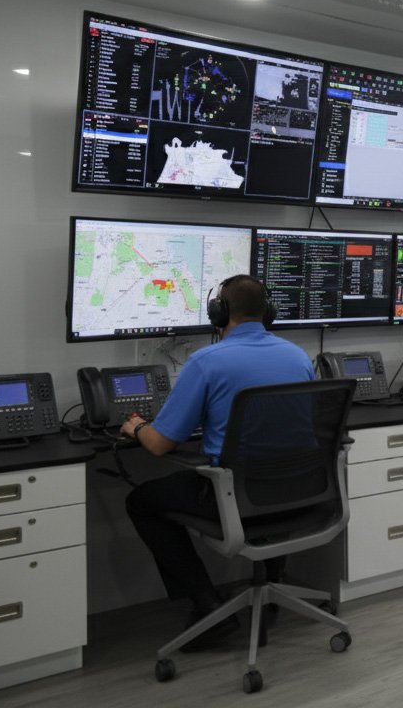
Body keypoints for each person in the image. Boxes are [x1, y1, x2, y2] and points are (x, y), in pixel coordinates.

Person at [121, 275, 314, 646]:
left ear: (219, 314)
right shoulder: (297, 356)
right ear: (267, 313)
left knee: (140, 501)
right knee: (267, 472)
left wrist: (137, 427)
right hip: (299, 496)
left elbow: (160, 445)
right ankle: (272, 585)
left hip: (235, 500)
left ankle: (207, 606)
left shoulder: (207, 361)